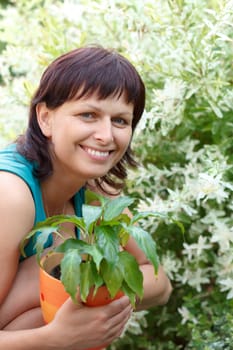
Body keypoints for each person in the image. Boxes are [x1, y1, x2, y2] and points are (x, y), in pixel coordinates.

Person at [0, 46, 172, 349]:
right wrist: (55, 339)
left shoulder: (96, 191)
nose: (106, 135)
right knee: (61, 260)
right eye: (88, 115)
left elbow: (161, 284)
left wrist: (95, 290)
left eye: (120, 120)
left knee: (72, 275)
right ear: (45, 118)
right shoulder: (10, 195)